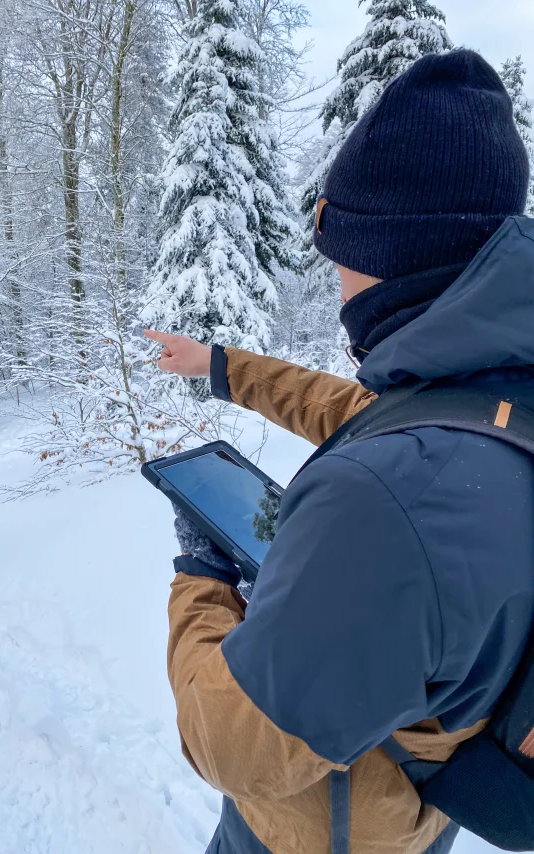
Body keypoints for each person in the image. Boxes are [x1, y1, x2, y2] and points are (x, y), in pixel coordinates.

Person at [145, 49, 534, 854]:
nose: (340, 290)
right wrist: (220, 367)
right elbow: (360, 413)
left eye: (345, 263)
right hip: (420, 821)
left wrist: (201, 581)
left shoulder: (385, 505)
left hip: (320, 831)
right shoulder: (499, 399)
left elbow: (228, 740)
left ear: (397, 263)